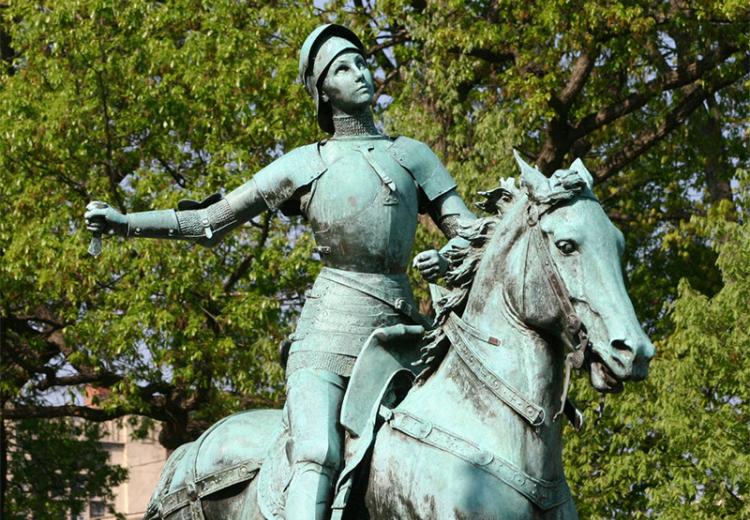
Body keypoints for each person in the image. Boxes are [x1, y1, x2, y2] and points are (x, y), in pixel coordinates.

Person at [85, 24, 475, 520]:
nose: (360, 73)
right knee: (316, 453)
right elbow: (210, 221)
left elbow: (470, 233)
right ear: (322, 91)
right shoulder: (303, 165)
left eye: (361, 61)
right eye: (342, 68)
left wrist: (455, 254)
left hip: (406, 340)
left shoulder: (412, 155)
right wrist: (125, 224)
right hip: (327, 341)